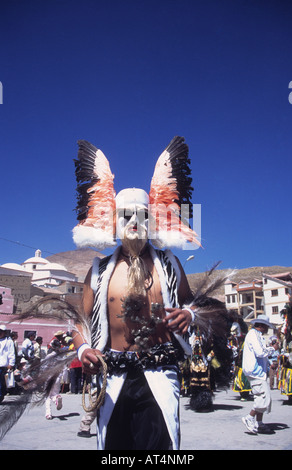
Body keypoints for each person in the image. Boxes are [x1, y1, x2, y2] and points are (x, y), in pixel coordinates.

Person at [72, 137, 208, 450]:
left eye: (141, 215)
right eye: (126, 216)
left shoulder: (170, 264)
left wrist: (190, 314)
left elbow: (196, 304)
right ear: (114, 221)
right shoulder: (98, 270)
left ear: (151, 217)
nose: (134, 222)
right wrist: (82, 351)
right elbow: (80, 321)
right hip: (113, 378)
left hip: (160, 375)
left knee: (161, 449)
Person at [241, 315, 279, 434]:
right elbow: (260, 352)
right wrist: (273, 349)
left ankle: (260, 423)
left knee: (260, 396)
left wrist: (269, 364)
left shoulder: (257, 335)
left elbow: (261, 354)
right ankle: (250, 417)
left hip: (259, 371)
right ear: (261, 326)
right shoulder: (253, 335)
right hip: (255, 371)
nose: (267, 329)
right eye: (266, 326)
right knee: (264, 398)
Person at [0, 325, 16, 403]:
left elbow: (11, 353)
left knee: (2, 382)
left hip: (3, 365)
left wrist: (11, 363)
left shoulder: (8, 341)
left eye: (1, 331)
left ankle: (1, 395)